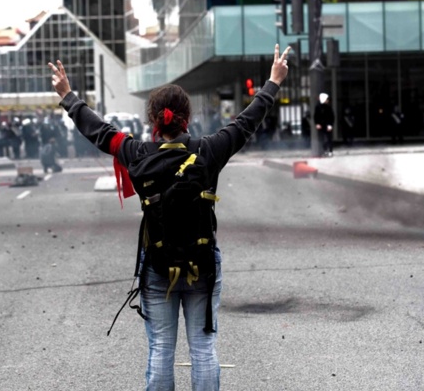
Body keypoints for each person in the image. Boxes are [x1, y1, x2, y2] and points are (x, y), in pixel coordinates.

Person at [47, 43, 291, 391]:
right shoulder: (210, 149)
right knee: (203, 347)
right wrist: (273, 82)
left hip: (158, 265)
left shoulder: (135, 152)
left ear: (152, 120)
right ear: (186, 118)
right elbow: (245, 123)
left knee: (161, 348)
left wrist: (68, 96)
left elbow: (99, 131)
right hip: (202, 262)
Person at [313, 92, 335, 157]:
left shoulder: (328, 107)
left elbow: (331, 116)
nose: (327, 101)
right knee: (322, 139)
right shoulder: (318, 107)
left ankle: (330, 151)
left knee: (329, 139)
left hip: (327, 125)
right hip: (321, 125)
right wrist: (317, 124)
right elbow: (316, 116)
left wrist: (330, 125)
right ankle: (325, 151)